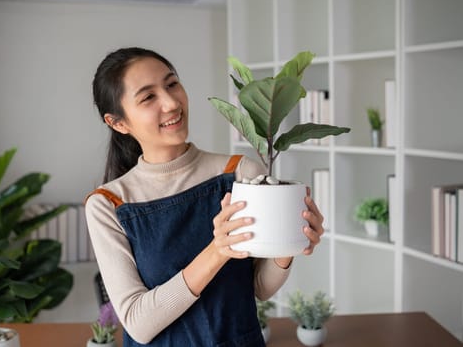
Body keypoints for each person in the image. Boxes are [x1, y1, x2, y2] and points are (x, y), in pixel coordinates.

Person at [85, 47, 324, 346]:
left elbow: (259, 287)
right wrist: (218, 251)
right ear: (118, 122)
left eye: (172, 84)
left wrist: (292, 241)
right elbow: (138, 323)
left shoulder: (239, 172)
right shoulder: (109, 204)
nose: (171, 103)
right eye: (148, 97)